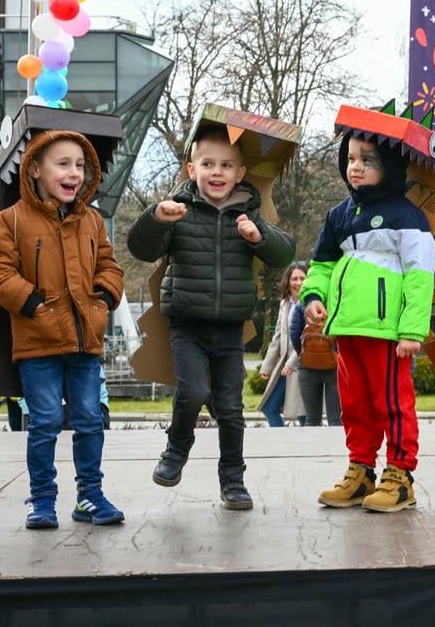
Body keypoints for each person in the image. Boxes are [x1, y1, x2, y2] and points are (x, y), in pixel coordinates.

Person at [127, 122, 295, 511]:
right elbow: (141, 248)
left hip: (230, 329)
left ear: (239, 173)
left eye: (225, 165)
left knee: (231, 408)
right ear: (192, 169)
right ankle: (176, 449)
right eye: (207, 164)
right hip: (187, 324)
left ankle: (233, 479)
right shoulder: (179, 211)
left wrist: (258, 236)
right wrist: (155, 217)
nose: (216, 172)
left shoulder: (248, 215)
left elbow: (284, 253)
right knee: (192, 393)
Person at [0, 129, 125, 529]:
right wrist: (31, 303)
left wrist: (103, 299)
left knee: (90, 419)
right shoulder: (12, 220)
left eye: (80, 165)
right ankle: (42, 499)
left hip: (85, 341)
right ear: (35, 169)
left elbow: (110, 267)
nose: (74, 173)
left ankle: (89, 495)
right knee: (44, 423)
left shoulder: (92, 220)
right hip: (38, 342)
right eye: (63, 164)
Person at [302, 123, 435, 513]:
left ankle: (400, 475)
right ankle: (361, 471)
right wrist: (313, 295)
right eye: (351, 158)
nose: (355, 167)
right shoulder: (339, 215)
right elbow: (322, 265)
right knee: (355, 406)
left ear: (390, 166)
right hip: (347, 329)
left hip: (388, 333)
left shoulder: (407, 216)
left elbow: (420, 276)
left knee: (392, 404)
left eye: (368, 160)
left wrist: (412, 330)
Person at [258, 262, 308, 427]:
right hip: (285, 366)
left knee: (302, 413)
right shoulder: (285, 304)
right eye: (294, 279)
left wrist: (292, 362)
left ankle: (307, 442)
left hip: (302, 364)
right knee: (269, 407)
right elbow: (278, 337)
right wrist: (267, 366)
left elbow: (308, 338)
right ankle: (282, 438)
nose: (298, 283)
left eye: (302, 278)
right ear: (288, 282)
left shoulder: (311, 303)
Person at [288, 301, 341, 427]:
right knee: (336, 419)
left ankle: (311, 440)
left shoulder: (303, 304)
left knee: (311, 420)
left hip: (307, 366)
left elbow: (294, 334)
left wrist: (303, 354)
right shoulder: (337, 301)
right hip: (334, 366)